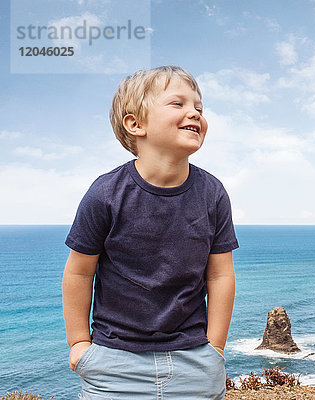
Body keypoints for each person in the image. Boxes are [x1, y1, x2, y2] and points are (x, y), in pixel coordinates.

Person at [62, 65, 238, 400]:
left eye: (199, 108)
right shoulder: (104, 194)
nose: (194, 113)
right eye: (178, 104)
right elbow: (79, 272)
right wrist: (79, 344)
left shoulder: (213, 193)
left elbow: (220, 275)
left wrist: (215, 348)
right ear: (135, 124)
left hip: (194, 361)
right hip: (113, 364)